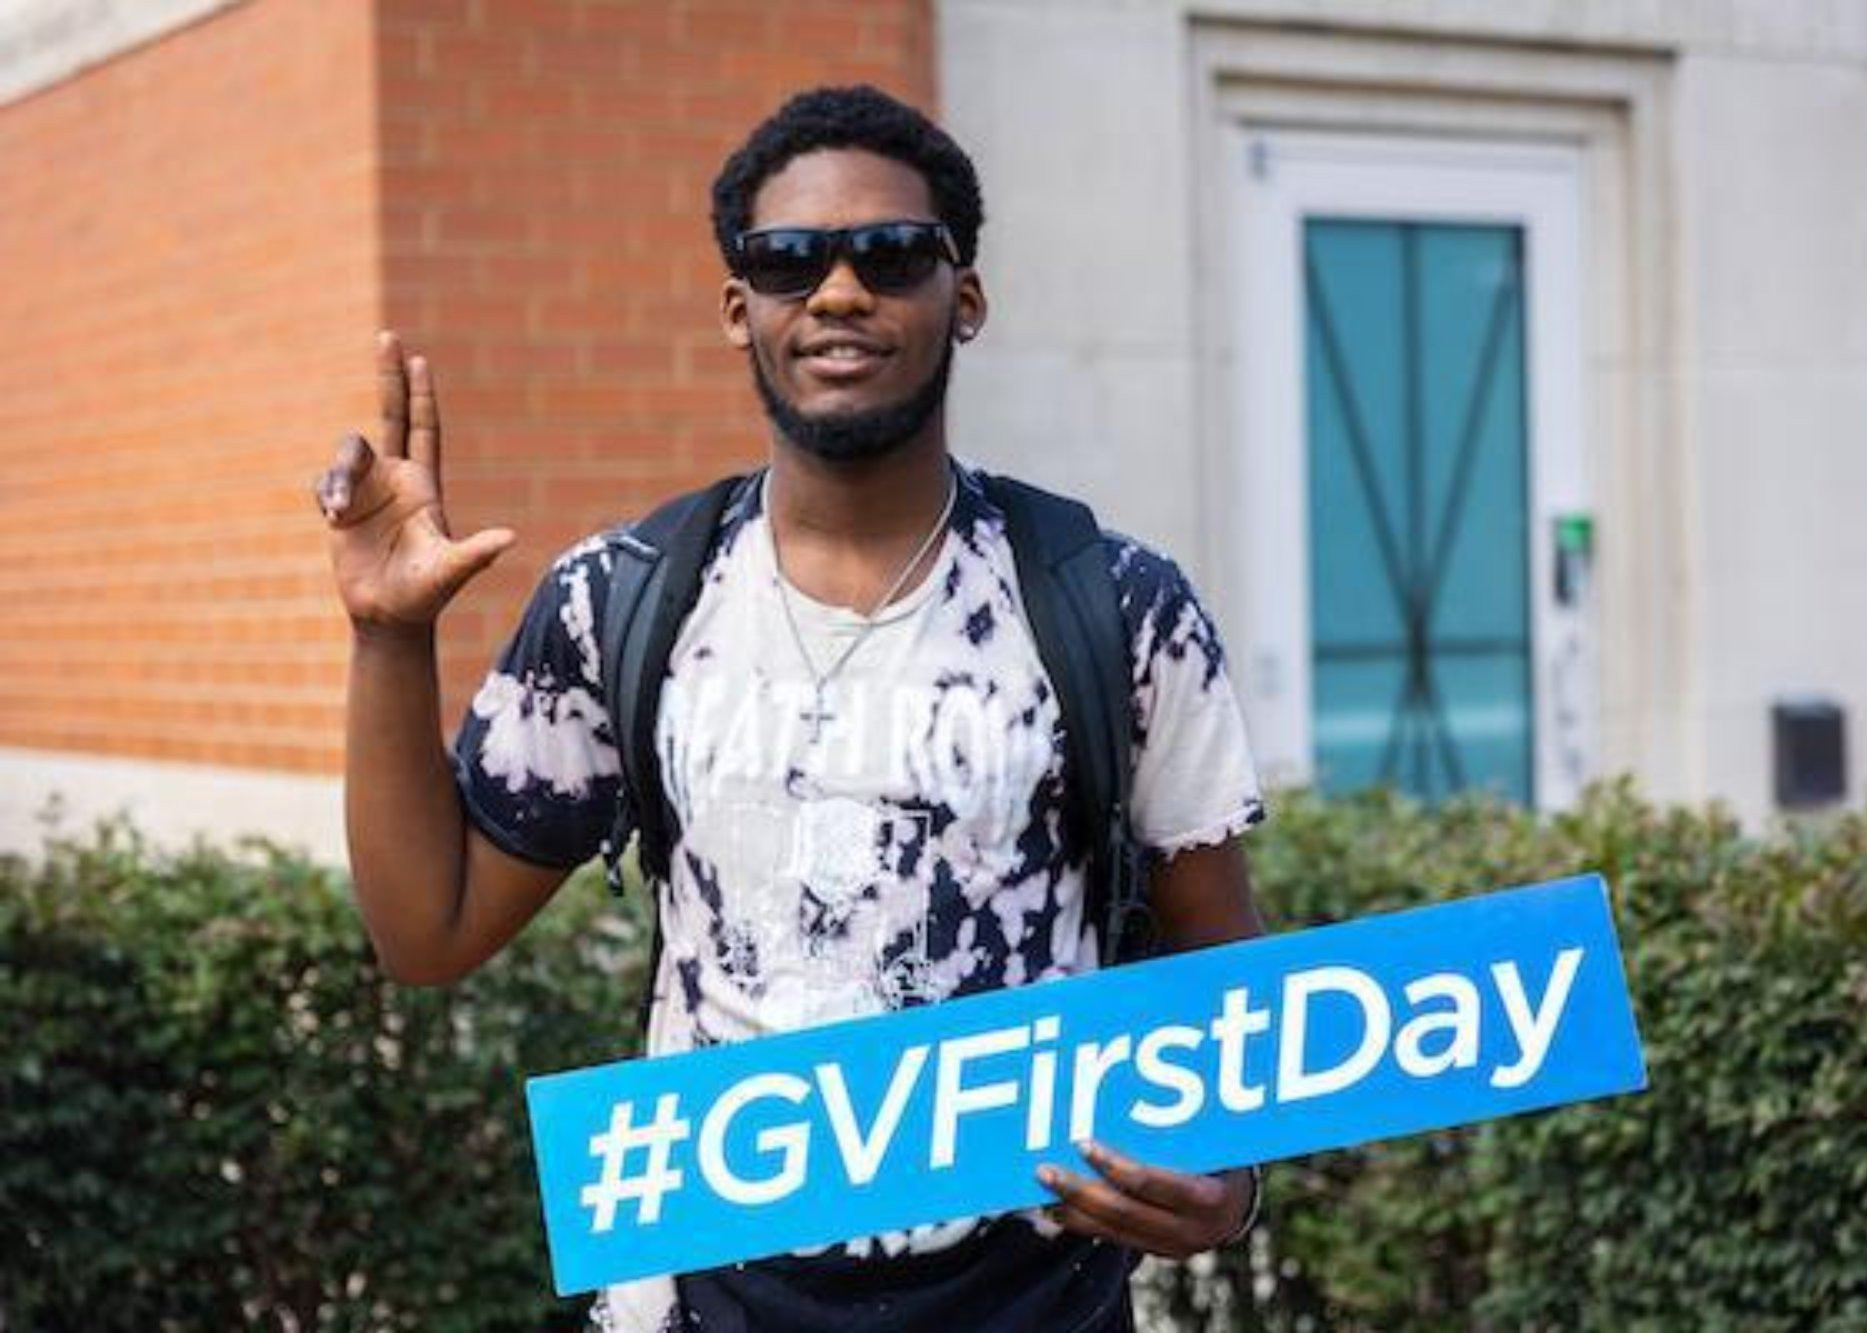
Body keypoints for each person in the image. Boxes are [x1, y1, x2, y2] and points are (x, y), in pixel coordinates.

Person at [313, 84, 1266, 1333]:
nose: (836, 291)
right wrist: (389, 635)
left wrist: (1230, 1184)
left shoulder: (1113, 604)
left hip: (1031, 1296)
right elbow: (424, 933)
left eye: (890, 254)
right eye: (786, 260)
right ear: (737, 308)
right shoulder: (624, 598)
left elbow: (1223, 971)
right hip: (699, 1292)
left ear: (962, 297)